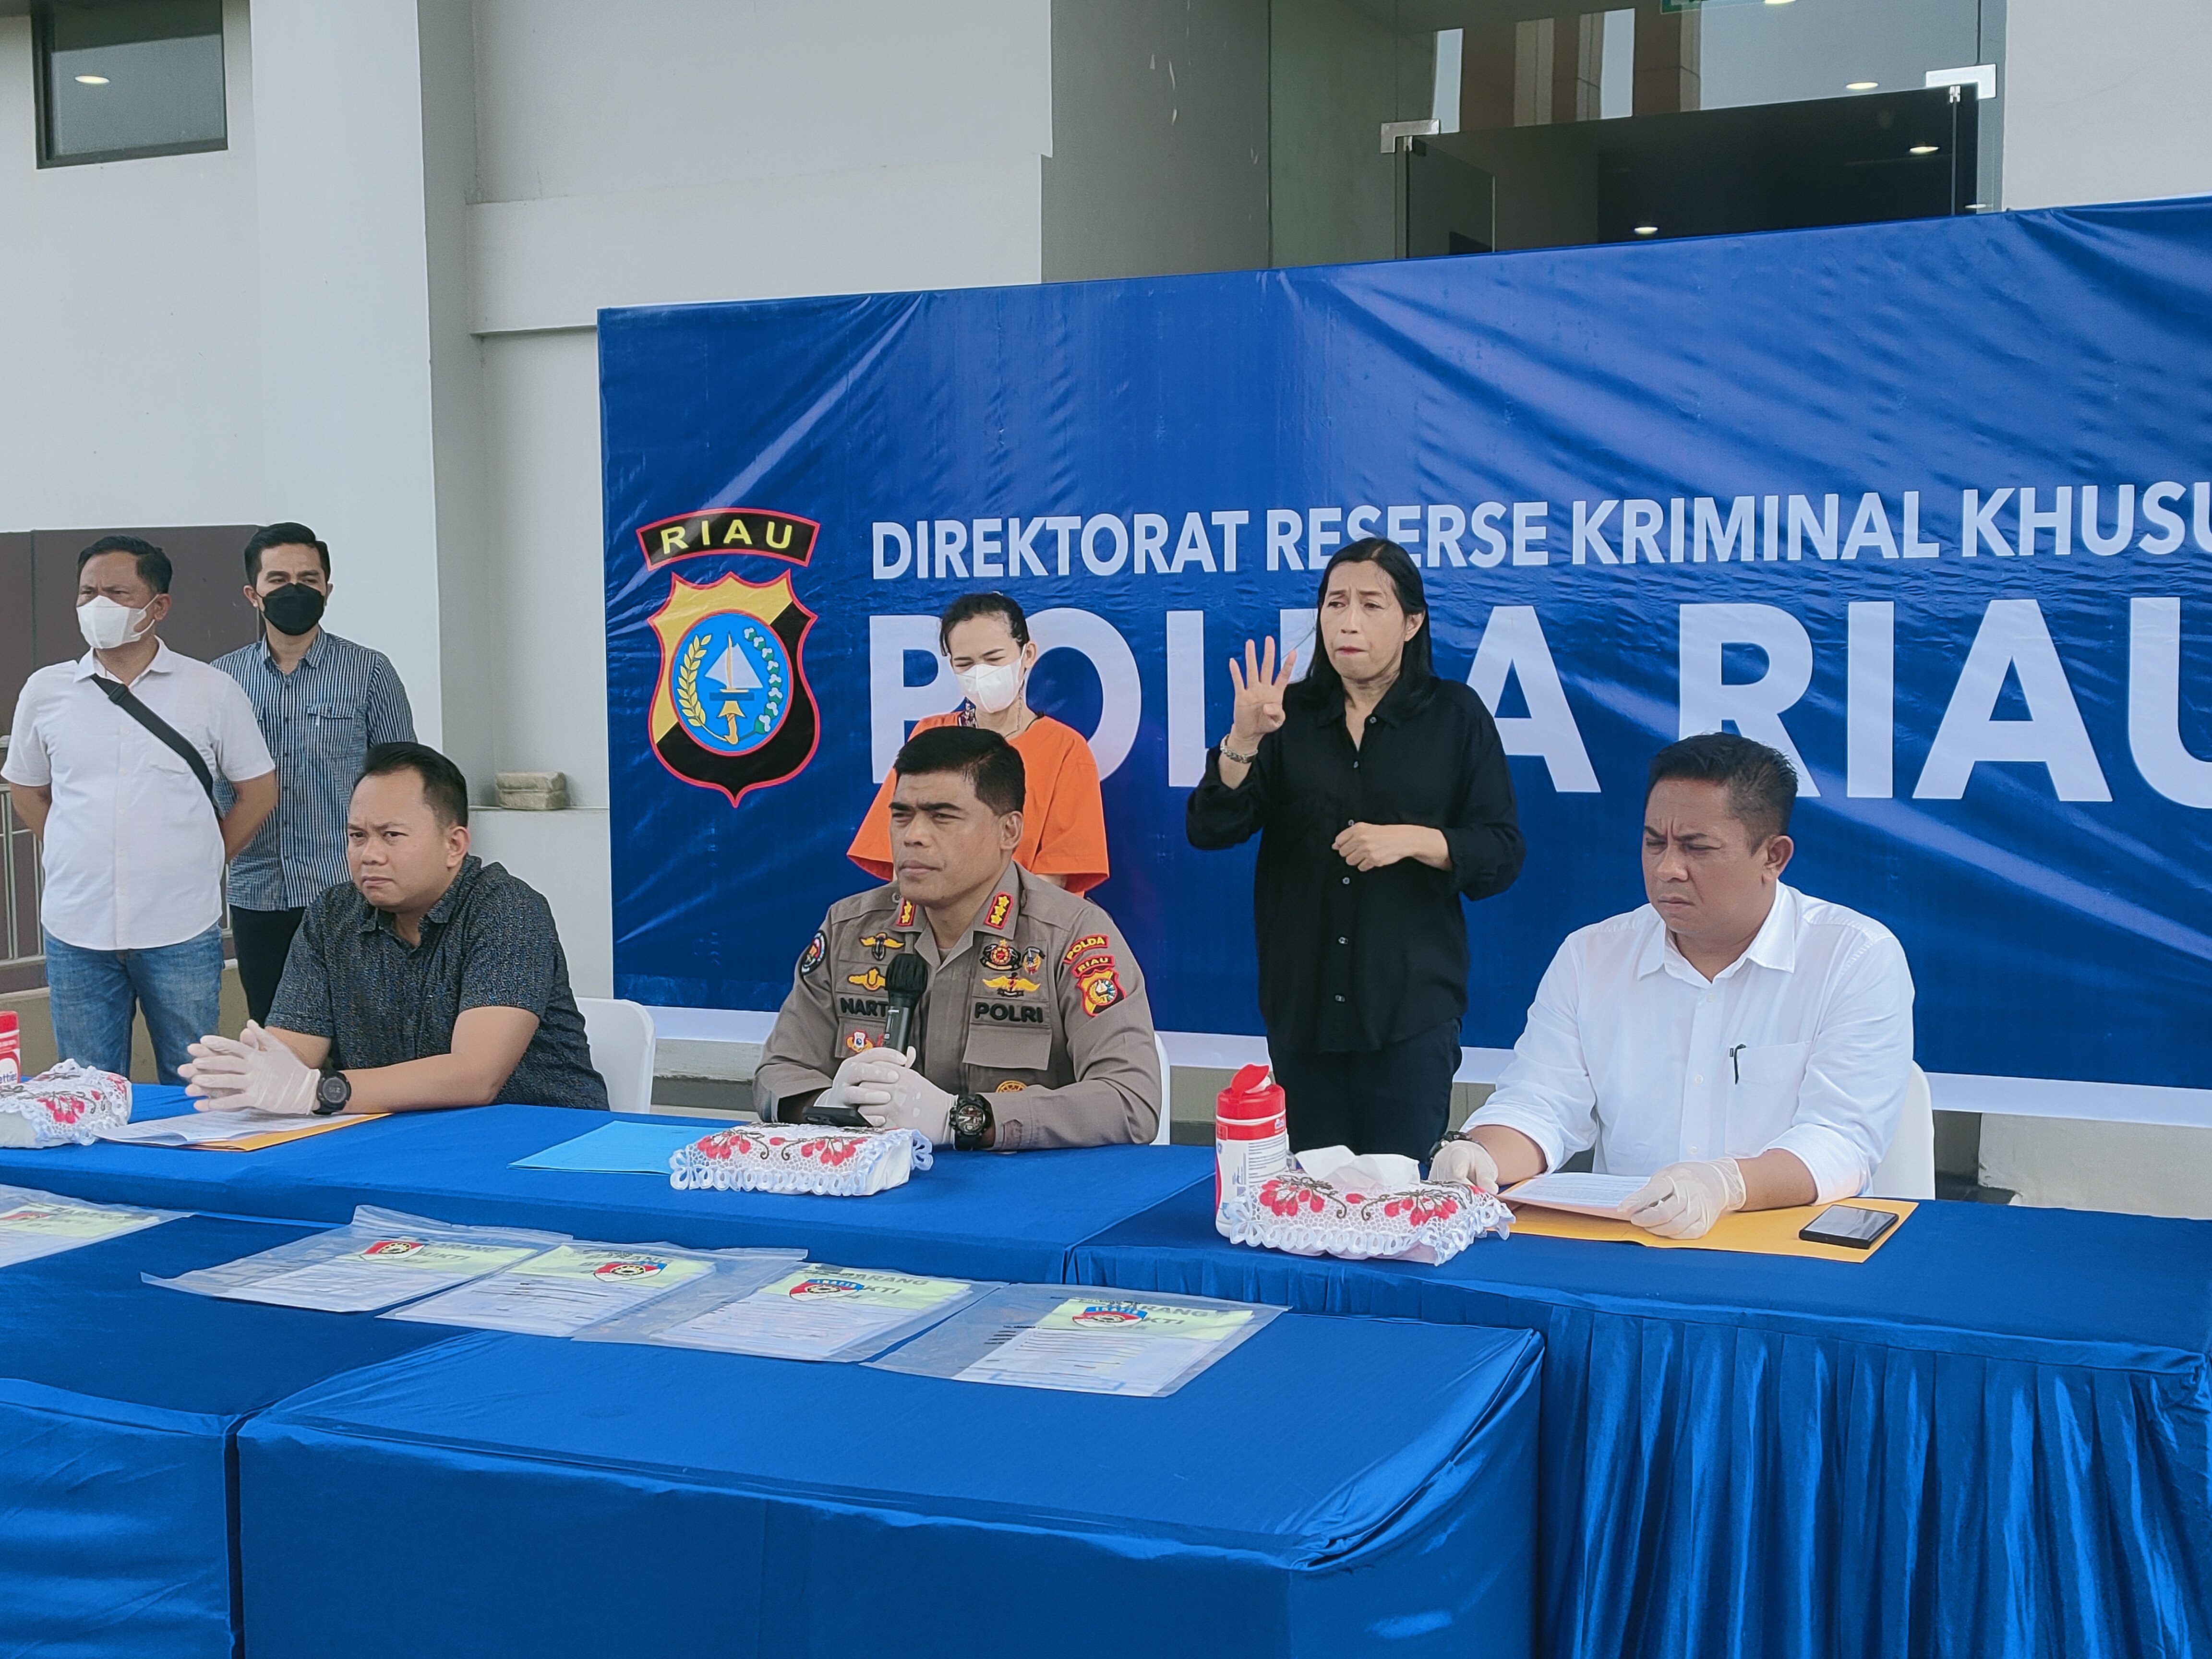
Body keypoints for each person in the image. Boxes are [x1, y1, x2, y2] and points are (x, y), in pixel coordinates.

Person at [1433, 733, 1915, 1239]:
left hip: (1791, 1249)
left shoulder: (1854, 957)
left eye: (1696, 848)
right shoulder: (1592, 956)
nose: (1667, 869)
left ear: (1773, 857)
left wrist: (1727, 1184)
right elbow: (1540, 1103)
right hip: (1627, 1246)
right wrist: (1478, 1154)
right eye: (1654, 843)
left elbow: (1841, 1139)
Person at [1186, 537, 1524, 1160]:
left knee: (1401, 1193)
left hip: (1410, 1012)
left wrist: (1416, 840)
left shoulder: (1455, 715)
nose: (1348, 621)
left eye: (1371, 604)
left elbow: (1501, 851)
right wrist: (1243, 741)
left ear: (1412, 622)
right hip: (1304, 1010)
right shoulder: (1285, 716)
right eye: (1335, 603)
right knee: (1312, 1197)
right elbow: (1210, 829)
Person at [761, 725, 1157, 1150]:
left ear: (1009, 832)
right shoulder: (849, 929)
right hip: (877, 1182)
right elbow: (779, 1073)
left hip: (1022, 1185)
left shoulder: (1071, 934)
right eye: (901, 815)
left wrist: (966, 1119)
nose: (913, 835)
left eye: (942, 816)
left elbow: (1131, 1102)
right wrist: (827, 1105)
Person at [178, 742, 608, 1113]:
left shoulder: (507, 911)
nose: (370, 854)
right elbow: (294, 1050)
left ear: (454, 845)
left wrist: (319, 1091)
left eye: (392, 836)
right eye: (357, 836)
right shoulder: (332, 916)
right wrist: (250, 1071)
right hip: (400, 1136)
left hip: (542, 1141)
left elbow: (475, 1076)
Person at [2, 537, 277, 1082]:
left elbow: (259, 790)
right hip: (77, 929)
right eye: (88, 593)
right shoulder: (46, 691)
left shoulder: (211, 690)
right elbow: (26, 789)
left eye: (117, 592)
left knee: (191, 1085)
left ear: (159, 606)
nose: (98, 604)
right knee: (87, 1089)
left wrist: (207, 856)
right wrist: (69, 845)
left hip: (180, 927)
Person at [214, 522, 417, 1024]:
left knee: (362, 1030)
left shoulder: (370, 672)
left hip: (348, 888)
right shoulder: (221, 681)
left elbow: (403, 782)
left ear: (327, 588)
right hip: (257, 890)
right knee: (274, 1030)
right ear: (253, 594)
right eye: (278, 579)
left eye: (308, 579)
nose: (295, 590)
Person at [848, 592, 1108, 894]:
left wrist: (984, 914)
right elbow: (902, 856)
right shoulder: (930, 736)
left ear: (1027, 655)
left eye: (994, 659)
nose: (980, 673)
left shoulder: (1065, 749)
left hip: (1026, 917)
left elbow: (1057, 875)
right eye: (965, 664)